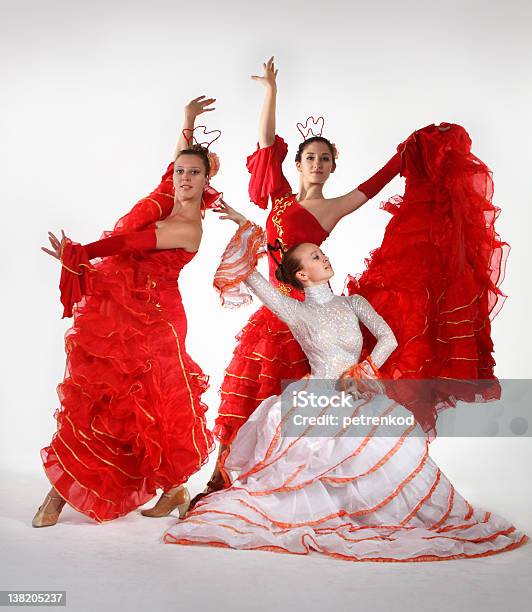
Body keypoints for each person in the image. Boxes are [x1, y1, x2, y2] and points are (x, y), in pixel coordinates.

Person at [163, 210, 527, 562]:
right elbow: (255, 281)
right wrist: (246, 229)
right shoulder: (297, 311)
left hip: (358, 394)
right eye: (315, 257)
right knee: (311, 460)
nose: (324, 257)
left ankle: (374, 513)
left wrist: (365, 369)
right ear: (302, 275)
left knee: (383, 449)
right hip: (315, 398)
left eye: (321, 253)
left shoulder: (353, 302)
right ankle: (316, 515)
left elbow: (388, 338)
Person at [196, 57, 402, 507]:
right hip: (272, 312)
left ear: (332, 167)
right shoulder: (281, 197)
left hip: (306, 316)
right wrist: (271, 89)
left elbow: (378, 181)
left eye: (324, 159)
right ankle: (220, 479)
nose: (316, 163)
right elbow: (266, 143)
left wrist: (407, 153)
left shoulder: (332, 208)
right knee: (249, 392)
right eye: (310, 157)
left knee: (298, 408)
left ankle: (305, 487)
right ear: (301, 162)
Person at [33, 96, 221, 527]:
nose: (184, 177)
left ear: (208, 180)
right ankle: (172, 491)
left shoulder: (186, 226)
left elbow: (127, 245)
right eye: (180, 171)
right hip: (125, 313)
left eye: (194, 173)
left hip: (157, 323)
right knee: (103, 399)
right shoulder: (165, 197)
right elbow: (174, 165)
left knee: (136, 407)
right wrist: (188, 121)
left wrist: (83, 253)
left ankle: (61, 496)